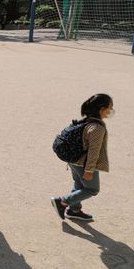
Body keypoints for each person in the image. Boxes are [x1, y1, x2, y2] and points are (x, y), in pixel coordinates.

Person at [51, 94, 113, 222]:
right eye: (110, 107)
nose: (111, 111)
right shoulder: (97, 128)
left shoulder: (86, 121)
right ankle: (62, 202)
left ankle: (74, 210)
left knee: (79, 185)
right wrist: (89, 170)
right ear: (101, 109)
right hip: (84, 163)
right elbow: (93, 152)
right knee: (92, 189)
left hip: (73, 160)